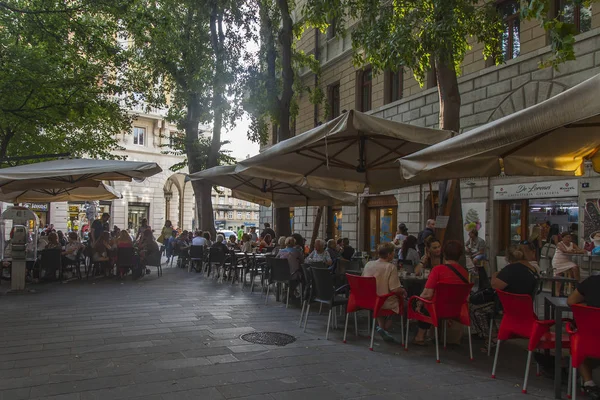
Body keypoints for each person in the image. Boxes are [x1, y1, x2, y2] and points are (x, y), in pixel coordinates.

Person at [469, 242, 540, 350]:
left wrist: (494, 275)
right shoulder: (532, 269)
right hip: (525, 307)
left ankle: (492, 337)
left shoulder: (511, 269)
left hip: (508, 307)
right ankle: (494, 335)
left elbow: (495, 285)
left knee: (475, 309)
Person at [411, 240, 469, 346]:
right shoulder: (464, 272)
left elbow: (427, 294)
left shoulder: (438, 270)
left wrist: (419, 301)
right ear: (460, 256)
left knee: (422, 302)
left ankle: (420, 336)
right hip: (458, 309)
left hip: (437, 308)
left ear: (444, 253)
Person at [362, 242, 406, 342]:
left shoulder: (369, 264)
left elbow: (363, 280)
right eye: (393, 252)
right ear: (389, 254)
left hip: (369, 300)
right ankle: (385, 328)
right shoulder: (390, 267)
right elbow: (395, 289)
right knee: (405, 304)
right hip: (384, 301)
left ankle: (381, 328)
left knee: (381, 296)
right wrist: (403, 290)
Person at [567, 274, 600, 399]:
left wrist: (590, 306)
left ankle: (588, 383)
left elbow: (571, 301)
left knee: (578, 338)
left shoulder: (592, 281)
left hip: (587, 341)